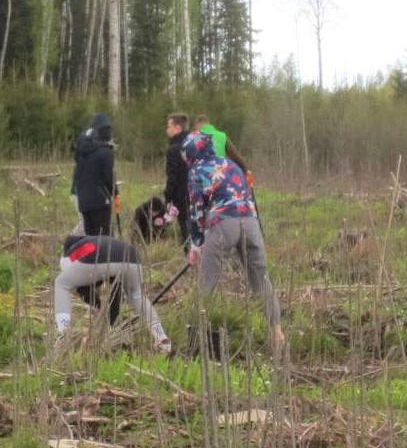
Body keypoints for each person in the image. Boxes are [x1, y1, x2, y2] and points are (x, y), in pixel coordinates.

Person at [182, 129, 284, 347]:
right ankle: (277, 332)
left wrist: (196, 244)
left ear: (191, 152)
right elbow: (247, 196)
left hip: (223, 223)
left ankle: (194, 336)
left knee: (207, 280)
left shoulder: (197, 170)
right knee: (261, 278)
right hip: (250, 222)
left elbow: (196, 210)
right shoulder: (232, 165)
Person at [52, 233, 171, 353]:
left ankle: (64, 334)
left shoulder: (68, 253)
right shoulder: (99, 240)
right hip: (132, 257)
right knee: (137, 295)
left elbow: (79, 286)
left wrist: (96, 304)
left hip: (97, 258)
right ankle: (161, 337)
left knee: (61, 284)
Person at [71, 112, 118, 236]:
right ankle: (70, 244)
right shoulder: (106, 152)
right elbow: (109, 177)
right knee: (104, 236)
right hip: (100, 200)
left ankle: (74, 246)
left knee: (90, 237)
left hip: (83, 198)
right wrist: (115, 193)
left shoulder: (82, 149)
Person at [162, 113, 191, 242]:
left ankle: (191, 251)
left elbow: (172, 177)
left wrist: (168, 196)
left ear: (178, 128)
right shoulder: (196, 145)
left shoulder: (174, 150)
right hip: (200, 195)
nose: (167, 130)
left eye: (169, 126)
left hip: (182, 197)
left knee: (186, 229)